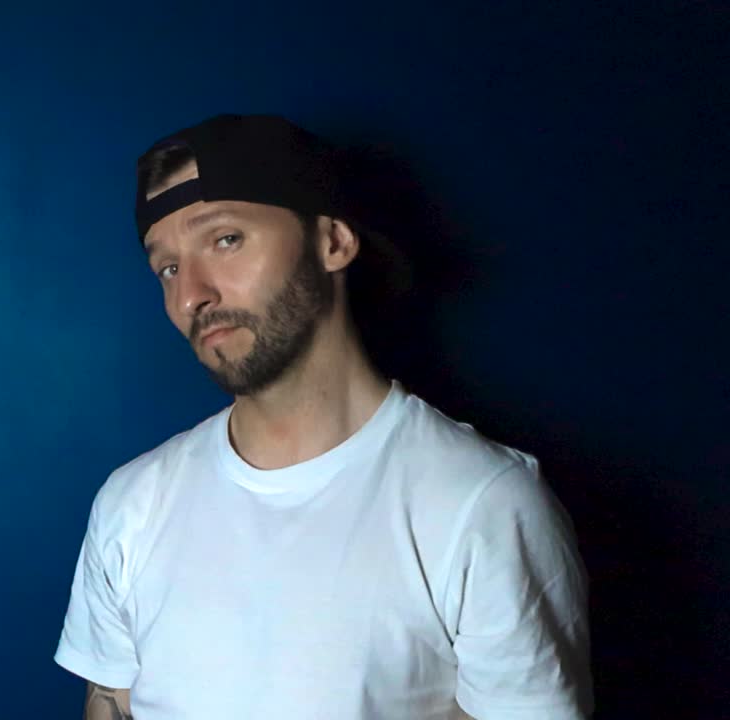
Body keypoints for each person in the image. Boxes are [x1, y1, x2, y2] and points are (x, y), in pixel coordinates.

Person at [53, 114, 593, 720]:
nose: (190, 296)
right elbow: (109, 702)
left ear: (332, 241)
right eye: (168, 268)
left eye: (226, 239)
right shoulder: (131, 502)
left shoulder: (481, 506)